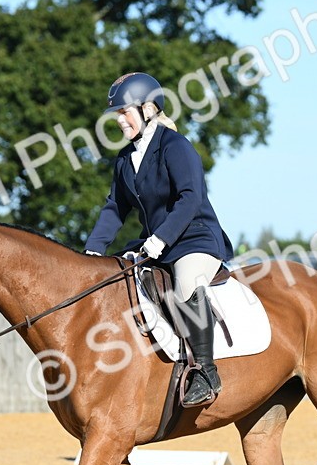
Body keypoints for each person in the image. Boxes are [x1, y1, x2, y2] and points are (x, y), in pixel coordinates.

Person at [84, 72, 234, 407]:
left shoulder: (175, 146)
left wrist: (160, 239)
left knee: (186, 285)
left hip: (194, 239)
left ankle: (206, 372)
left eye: (125, 113)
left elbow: (190, 198)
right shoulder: (125, 158)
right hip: (154, 243)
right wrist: (93, 250)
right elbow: (115, 207)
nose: (120, 121)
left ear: (149, 109)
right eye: (118, 115)